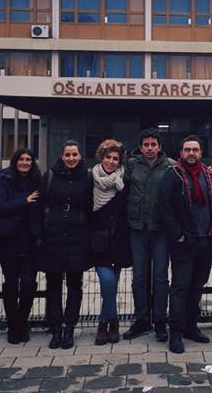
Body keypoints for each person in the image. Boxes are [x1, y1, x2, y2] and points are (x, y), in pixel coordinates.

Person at [159, 135, 212, 354]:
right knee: (180, 288)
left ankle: (191, 328)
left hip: (205, 241)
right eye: (187, 149)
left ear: (201, 153)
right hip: (184, 243)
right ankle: (175, 333)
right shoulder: (172, 175)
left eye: (195, 149)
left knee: (197, 288)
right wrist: (177, 234)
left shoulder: (207, 174)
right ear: (181, 153)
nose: (191, 153)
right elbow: (165, 207)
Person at [39, 140, 93, 350]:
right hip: (53, 236)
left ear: (80, 156)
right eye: (67, 155)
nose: (71, 158)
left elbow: (90, 205)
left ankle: (69, 328)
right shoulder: (50, 176)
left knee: (74, 285)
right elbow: (41, 204)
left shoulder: (87, 177)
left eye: (75, 155)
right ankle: (56, 328)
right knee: (53, 285)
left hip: (77, 236)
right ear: (62, 156)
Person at [122, 128, 175, 342]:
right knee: (139, 277)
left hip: (160, 230)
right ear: (141, 147)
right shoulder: (131, 165)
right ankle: (142, 319)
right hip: (137, 229)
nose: (150, 148)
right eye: (146, 145)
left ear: (159, 146)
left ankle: (160, 320)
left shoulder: (170, 166)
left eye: (153, 144)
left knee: (161, 277)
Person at [0, 148, 42, 344]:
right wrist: (24, 201)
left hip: (31, 242)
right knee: (11, 285)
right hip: (8, 241)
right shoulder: (4, 181)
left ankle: (22, 321)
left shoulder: (37, 181)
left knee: (28, 284)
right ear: (15, 161)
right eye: (21, 159)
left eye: (29, 159)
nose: (25, 162)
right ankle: (13, 326)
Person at [90, 139, 132, 346]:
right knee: (108, 282)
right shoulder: (91, 179)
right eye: (108, 157)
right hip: (98, 241)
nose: (111, 161)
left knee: (112, 285)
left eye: (115, 158)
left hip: (119, 242)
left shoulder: (124, 181)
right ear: (101, 157)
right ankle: (108, 320)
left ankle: (106, 324)